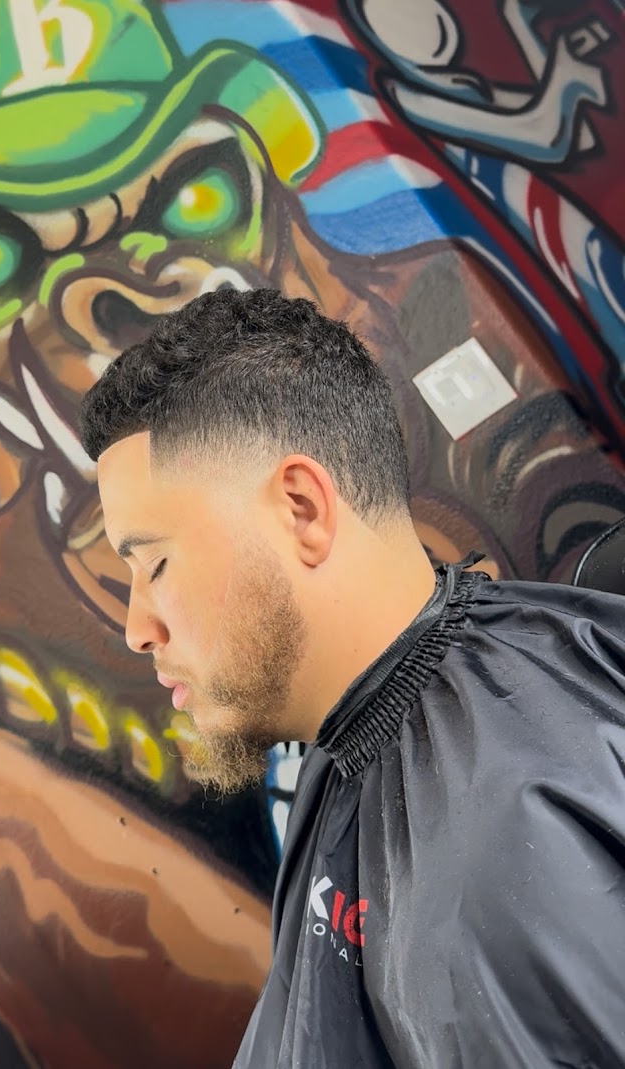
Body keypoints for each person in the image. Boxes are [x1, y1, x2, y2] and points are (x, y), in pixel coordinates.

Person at [79, 287, 625, 1068]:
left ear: (302, 509)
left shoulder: (506, 848)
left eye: (155, 563)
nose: (138, 627)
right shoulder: (347, 748)